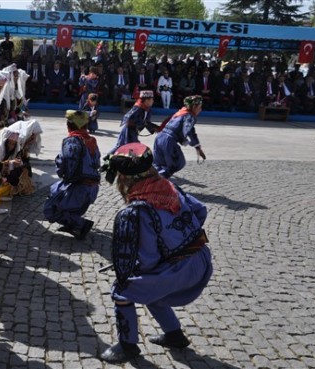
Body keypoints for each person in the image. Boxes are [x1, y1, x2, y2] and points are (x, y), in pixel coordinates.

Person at [99, 142, 213, 364]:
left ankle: (127, 345)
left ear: (123, 178)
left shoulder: (134, 211)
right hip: (201, 257)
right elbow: (200, 210)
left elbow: (148, 259)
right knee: (152, 289)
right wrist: (181, 238)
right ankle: (174, 335)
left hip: (180, 270)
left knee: (123, 290)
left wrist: (135, 272)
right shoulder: (170, 187)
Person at [43, 110, 100, 240]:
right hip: (92, 188)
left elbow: (65, 168)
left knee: (50, 209)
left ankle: (82, 224)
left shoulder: (71, 142)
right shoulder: (92, 140)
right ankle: (73, 224)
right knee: (69, 208)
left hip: (78, 187)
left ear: (68, 126)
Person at [152, 95, 206, 179]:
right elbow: (188, 131)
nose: (200, 110)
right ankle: (160, 183)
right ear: (194, 107)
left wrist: (197, 147)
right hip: (169, 140)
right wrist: (184, 140)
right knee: (177, 162)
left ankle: (149, 181)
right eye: (199, 107)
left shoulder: (180, 112)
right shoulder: (189, 116)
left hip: (159, 137)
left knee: (159, 164)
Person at [107, 90, 155, 156]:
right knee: (122, 146)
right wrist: (141, 123)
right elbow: (129, 118)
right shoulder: (137, 107)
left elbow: (147, 122)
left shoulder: (148, 109)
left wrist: (153, 129)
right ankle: (107, 158)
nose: (153, 101)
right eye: (151, 99)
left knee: (131, 147)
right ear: (146, 100)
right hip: (128, 130)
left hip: (134, 131)